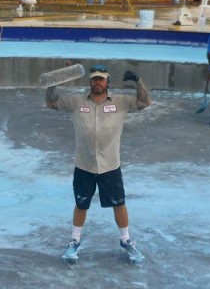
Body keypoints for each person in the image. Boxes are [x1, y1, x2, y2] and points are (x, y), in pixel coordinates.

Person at [46, 64, 152, 265]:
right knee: (81, 204)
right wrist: (55, 82)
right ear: (90, 81)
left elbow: (145, 102)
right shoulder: (76, 101)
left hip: (110, 165)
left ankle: (125, 240)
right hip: (84, 165)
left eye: (101, 79)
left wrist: (138, 81)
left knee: (119, 203)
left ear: (107, 81)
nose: (98, 82)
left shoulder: (120, 102)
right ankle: (75, 241)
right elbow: (51, 102)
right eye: (94, 78)